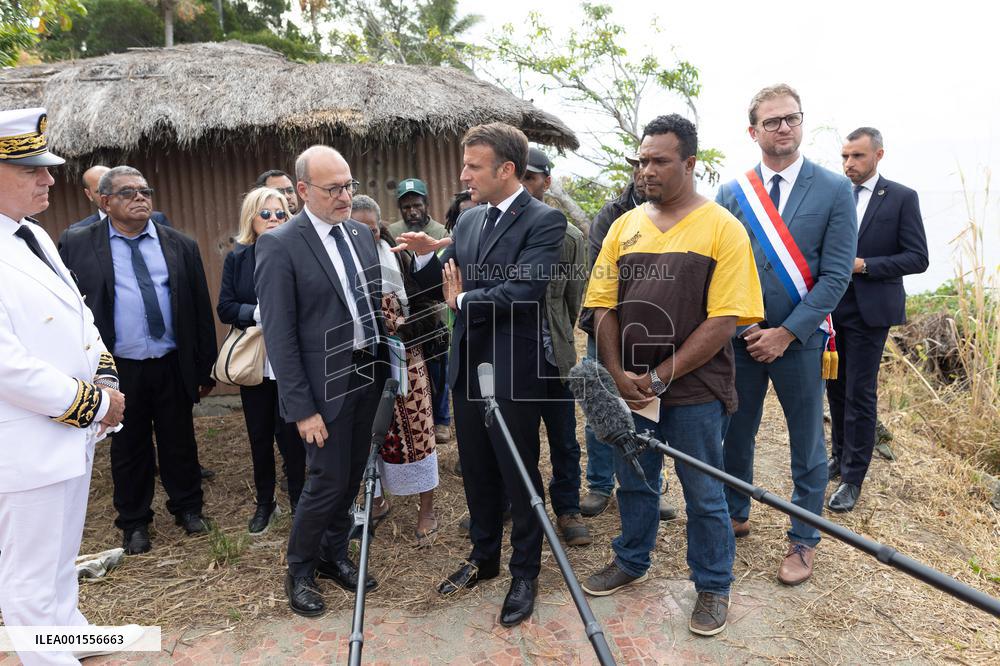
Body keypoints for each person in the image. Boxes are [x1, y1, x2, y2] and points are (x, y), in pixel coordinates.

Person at [582, 113, 763, 637]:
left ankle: (712, 583)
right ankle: (632, 560)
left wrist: (662, 374)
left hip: (695, 390)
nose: (646, 171)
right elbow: (603, 306)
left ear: (690, 163)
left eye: (659, 161)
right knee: (634, 478)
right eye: (641, 161)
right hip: (629, 387)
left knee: (703, 490)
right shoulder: (624, 226)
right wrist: (615, 371)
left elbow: (724, 319)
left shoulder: (722, 229)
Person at [396, 122, 567, 628]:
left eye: (473, 166)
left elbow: (522, 293)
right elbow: (446, 275)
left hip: (515, 369)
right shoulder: (468, 222)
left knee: (518, 470)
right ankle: (484, 555)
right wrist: (428, 255)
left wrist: (464, 299)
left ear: (506, 170)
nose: (463, 174)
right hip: (468, 364)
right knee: (475, 467)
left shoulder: (544, 222)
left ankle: (525, 571)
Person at [716, 84, 856, 585]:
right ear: (753, 131)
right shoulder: (732, 194)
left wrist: (786, 333)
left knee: (808, 445)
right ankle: (735, 510)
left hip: (802, 343)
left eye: (791, 118)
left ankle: (804, 537)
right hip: (743, 339)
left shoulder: (835, 189)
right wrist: (749, 327)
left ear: (801, 122)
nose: (784, 128)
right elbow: (722, 269)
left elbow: (837, 276)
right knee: (736, 433)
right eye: (772, 121)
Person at [0, 107, 125, 666]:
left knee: (59, 556)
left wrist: (104, 374)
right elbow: (8, 365)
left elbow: (80, 318)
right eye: (32, 170)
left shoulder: (32, 236)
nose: (49, 179)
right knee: (26, 573)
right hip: (25, 441)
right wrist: (94, 405)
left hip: (65, 435)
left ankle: (67, 633)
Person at [254, 145, 387, 617]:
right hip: (322, 389)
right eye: (334, 188)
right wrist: (302, 408)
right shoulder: (280, 244)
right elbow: (280, 335)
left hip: (366, 375)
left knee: (353, 475)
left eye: (349, 185)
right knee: (326, 481)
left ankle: (334, 555)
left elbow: (368, 303)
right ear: (304, 190)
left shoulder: (359, 234)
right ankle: (300, 568)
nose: (345, 195)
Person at [59, 166, 218, 555]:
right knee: (128, 447)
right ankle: (134, 522)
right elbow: (67, 310)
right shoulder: (77, 244)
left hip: (170, 362)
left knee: (179, 440)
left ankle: (187, 509)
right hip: (117, 367)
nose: (140, 198)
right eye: (128, 193)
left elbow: (199, 309)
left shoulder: (180, 244)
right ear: (105, 201)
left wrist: (204, 367)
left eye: (145, 191)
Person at [826, 127, 928, 511]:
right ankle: (837, 457)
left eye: (857, 156)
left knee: (860, 392)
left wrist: (865, 265)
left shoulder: (901, 197)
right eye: (845, 157)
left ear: (878, 155)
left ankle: (853, 478)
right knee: (834, 386)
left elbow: (918, 258)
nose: (849, 163)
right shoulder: (835, 194)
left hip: (871, 310)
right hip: (831, 308)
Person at [577, 157, 676, 522]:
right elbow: (604, 276)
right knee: (602, 407)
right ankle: (601, 485)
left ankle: (649, 482)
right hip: (607, 323)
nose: (642, 173)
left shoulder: (675, 214)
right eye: (637, 165)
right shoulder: (612, 215)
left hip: (651, 330)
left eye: (651, 165)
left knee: (648, 405)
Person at [352, 194, 442, 545]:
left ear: (380, 227)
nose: (366, 237)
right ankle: (374, 500)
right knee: (369, 431)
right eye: (356, 231)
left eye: (371, 230)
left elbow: (430, 306)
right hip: (364, 364)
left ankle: (426, 509)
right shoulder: (339, 264)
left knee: (417, 433)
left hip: (407, 360)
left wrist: (402, 328)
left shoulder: (398, 258)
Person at [217, 187, 307, 533]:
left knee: (293, 436)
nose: (273, 220)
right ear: (251, 219)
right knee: (259, 436)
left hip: (292, 361)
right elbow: (225, 306)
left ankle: (300, 500)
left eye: (280, 213)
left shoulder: (298, 252)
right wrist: (258, 313)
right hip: (255, 360)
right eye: (265, 214)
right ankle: (265, 503)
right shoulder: (238, 260)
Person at [521, 147, 592, 547]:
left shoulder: (570, 239)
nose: (528, 185)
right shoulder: (505, 233)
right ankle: (526, 506)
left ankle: (567, 508)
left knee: (564, 438)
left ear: (547, 183)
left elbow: (572, 301)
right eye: (523, 178)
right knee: (522, 437)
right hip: (517, 358)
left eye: (534, 178)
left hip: (556, 359)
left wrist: (555, 333)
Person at [387, 178, 452, 445]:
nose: (412, 211)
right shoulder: (393, 232)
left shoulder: (440, 231)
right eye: (406, 207)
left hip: (436, 311)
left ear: (426, 204)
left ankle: (442, 421)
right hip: (410, 312)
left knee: (439, 368)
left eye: (416, 205)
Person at [68, 164, 171, 230]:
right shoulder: (79, 231)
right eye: (99, 192)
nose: (107, 197)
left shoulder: (156, 220)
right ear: (89, 194)